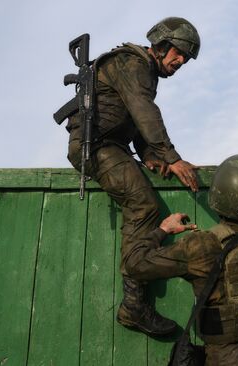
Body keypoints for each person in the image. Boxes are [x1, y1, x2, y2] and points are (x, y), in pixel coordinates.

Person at [64, 17, 201, 336]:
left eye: (185, 58)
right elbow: (144, 113)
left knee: (144, 201)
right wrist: (173, 158)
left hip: (112, 146)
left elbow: (133, 119)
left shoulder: (141, 68)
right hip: (97, 147)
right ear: (162, 46)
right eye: (178, 53)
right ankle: (134, 306)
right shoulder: (133, 63)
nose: (180, 61)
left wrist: (150, 154)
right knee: (143, 206)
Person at [125, 152, 238, 365]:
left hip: (227, 359)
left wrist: (163, 230)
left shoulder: (204, 246)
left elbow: (135, 263)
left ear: (219, 196)